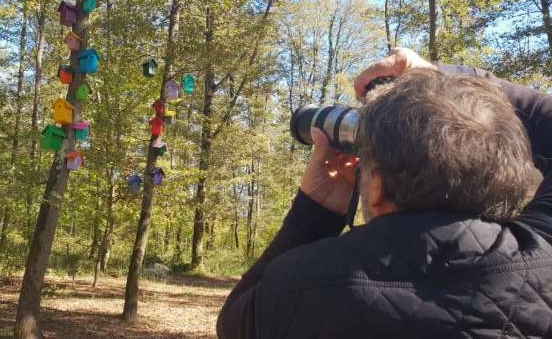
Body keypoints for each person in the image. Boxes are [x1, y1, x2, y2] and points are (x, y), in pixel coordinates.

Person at [217, 47, 552, 339]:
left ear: (375, 188)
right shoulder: (542, 269)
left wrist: (313, 217)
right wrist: (452, 77)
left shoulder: (294, 288)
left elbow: (234, 324)